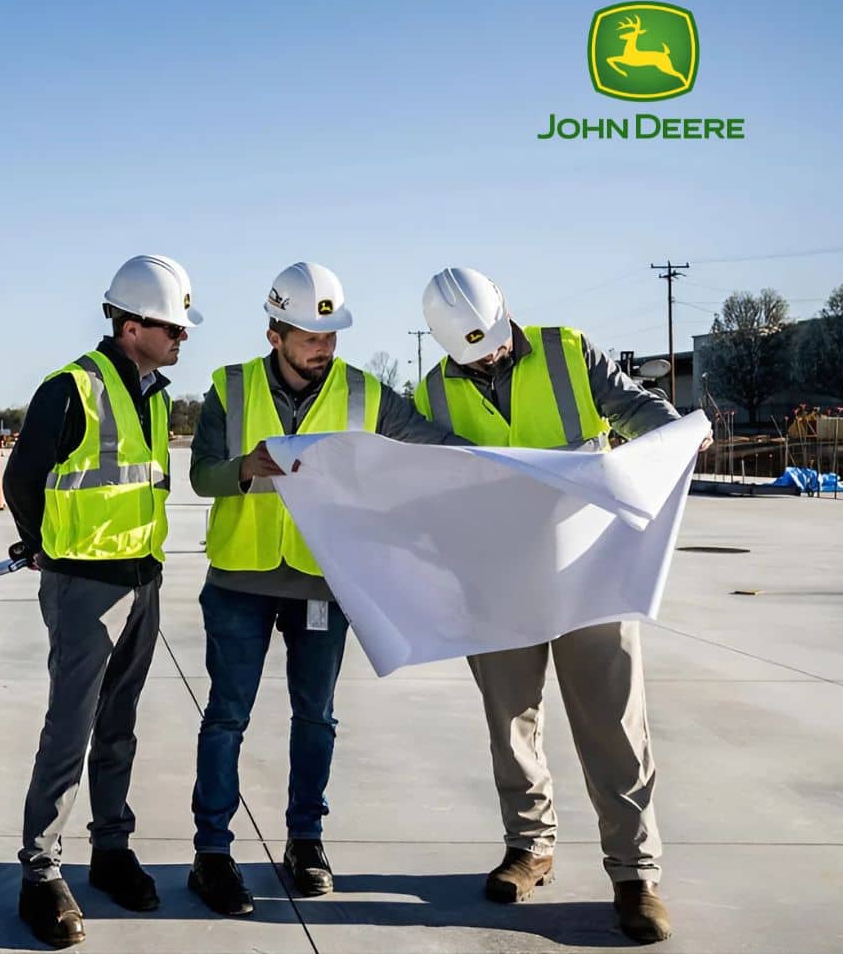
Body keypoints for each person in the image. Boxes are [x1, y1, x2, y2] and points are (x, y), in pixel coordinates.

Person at [415, 266, 710, 944]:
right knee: (510, 721)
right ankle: (529, 848)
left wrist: (678, 433)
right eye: (471, 353)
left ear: (504, 314)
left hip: (590, 574)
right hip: (499, 585)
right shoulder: (432, 390)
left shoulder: (567, 350)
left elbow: (640, 410)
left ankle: (635, 876)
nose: (487, 358)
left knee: (613, 725)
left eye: (491, 343)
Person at [187, 261, 471, 916]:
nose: (324, 348)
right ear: (274, 333)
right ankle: (211, 854)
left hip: (323, 583)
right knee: (227, 716)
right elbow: (202, 476)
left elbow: (435, 448)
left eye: (331, 335)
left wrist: (520, 469)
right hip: (240, 581)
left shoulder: (367, 393)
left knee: (316, 716)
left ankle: (306, 842)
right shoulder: (229, 389)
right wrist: (245, 468)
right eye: (310, 337)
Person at [2, 254, 200, 948]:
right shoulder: (70, 389)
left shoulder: (155, 392)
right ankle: (41, 872)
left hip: (142, 580)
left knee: (119, 725)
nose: (183, 337)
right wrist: (44, 548)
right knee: (71, 728)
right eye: (173, 326)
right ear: (131, 324)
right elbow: (22, 480)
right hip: (85, 586)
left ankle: (111, 849)